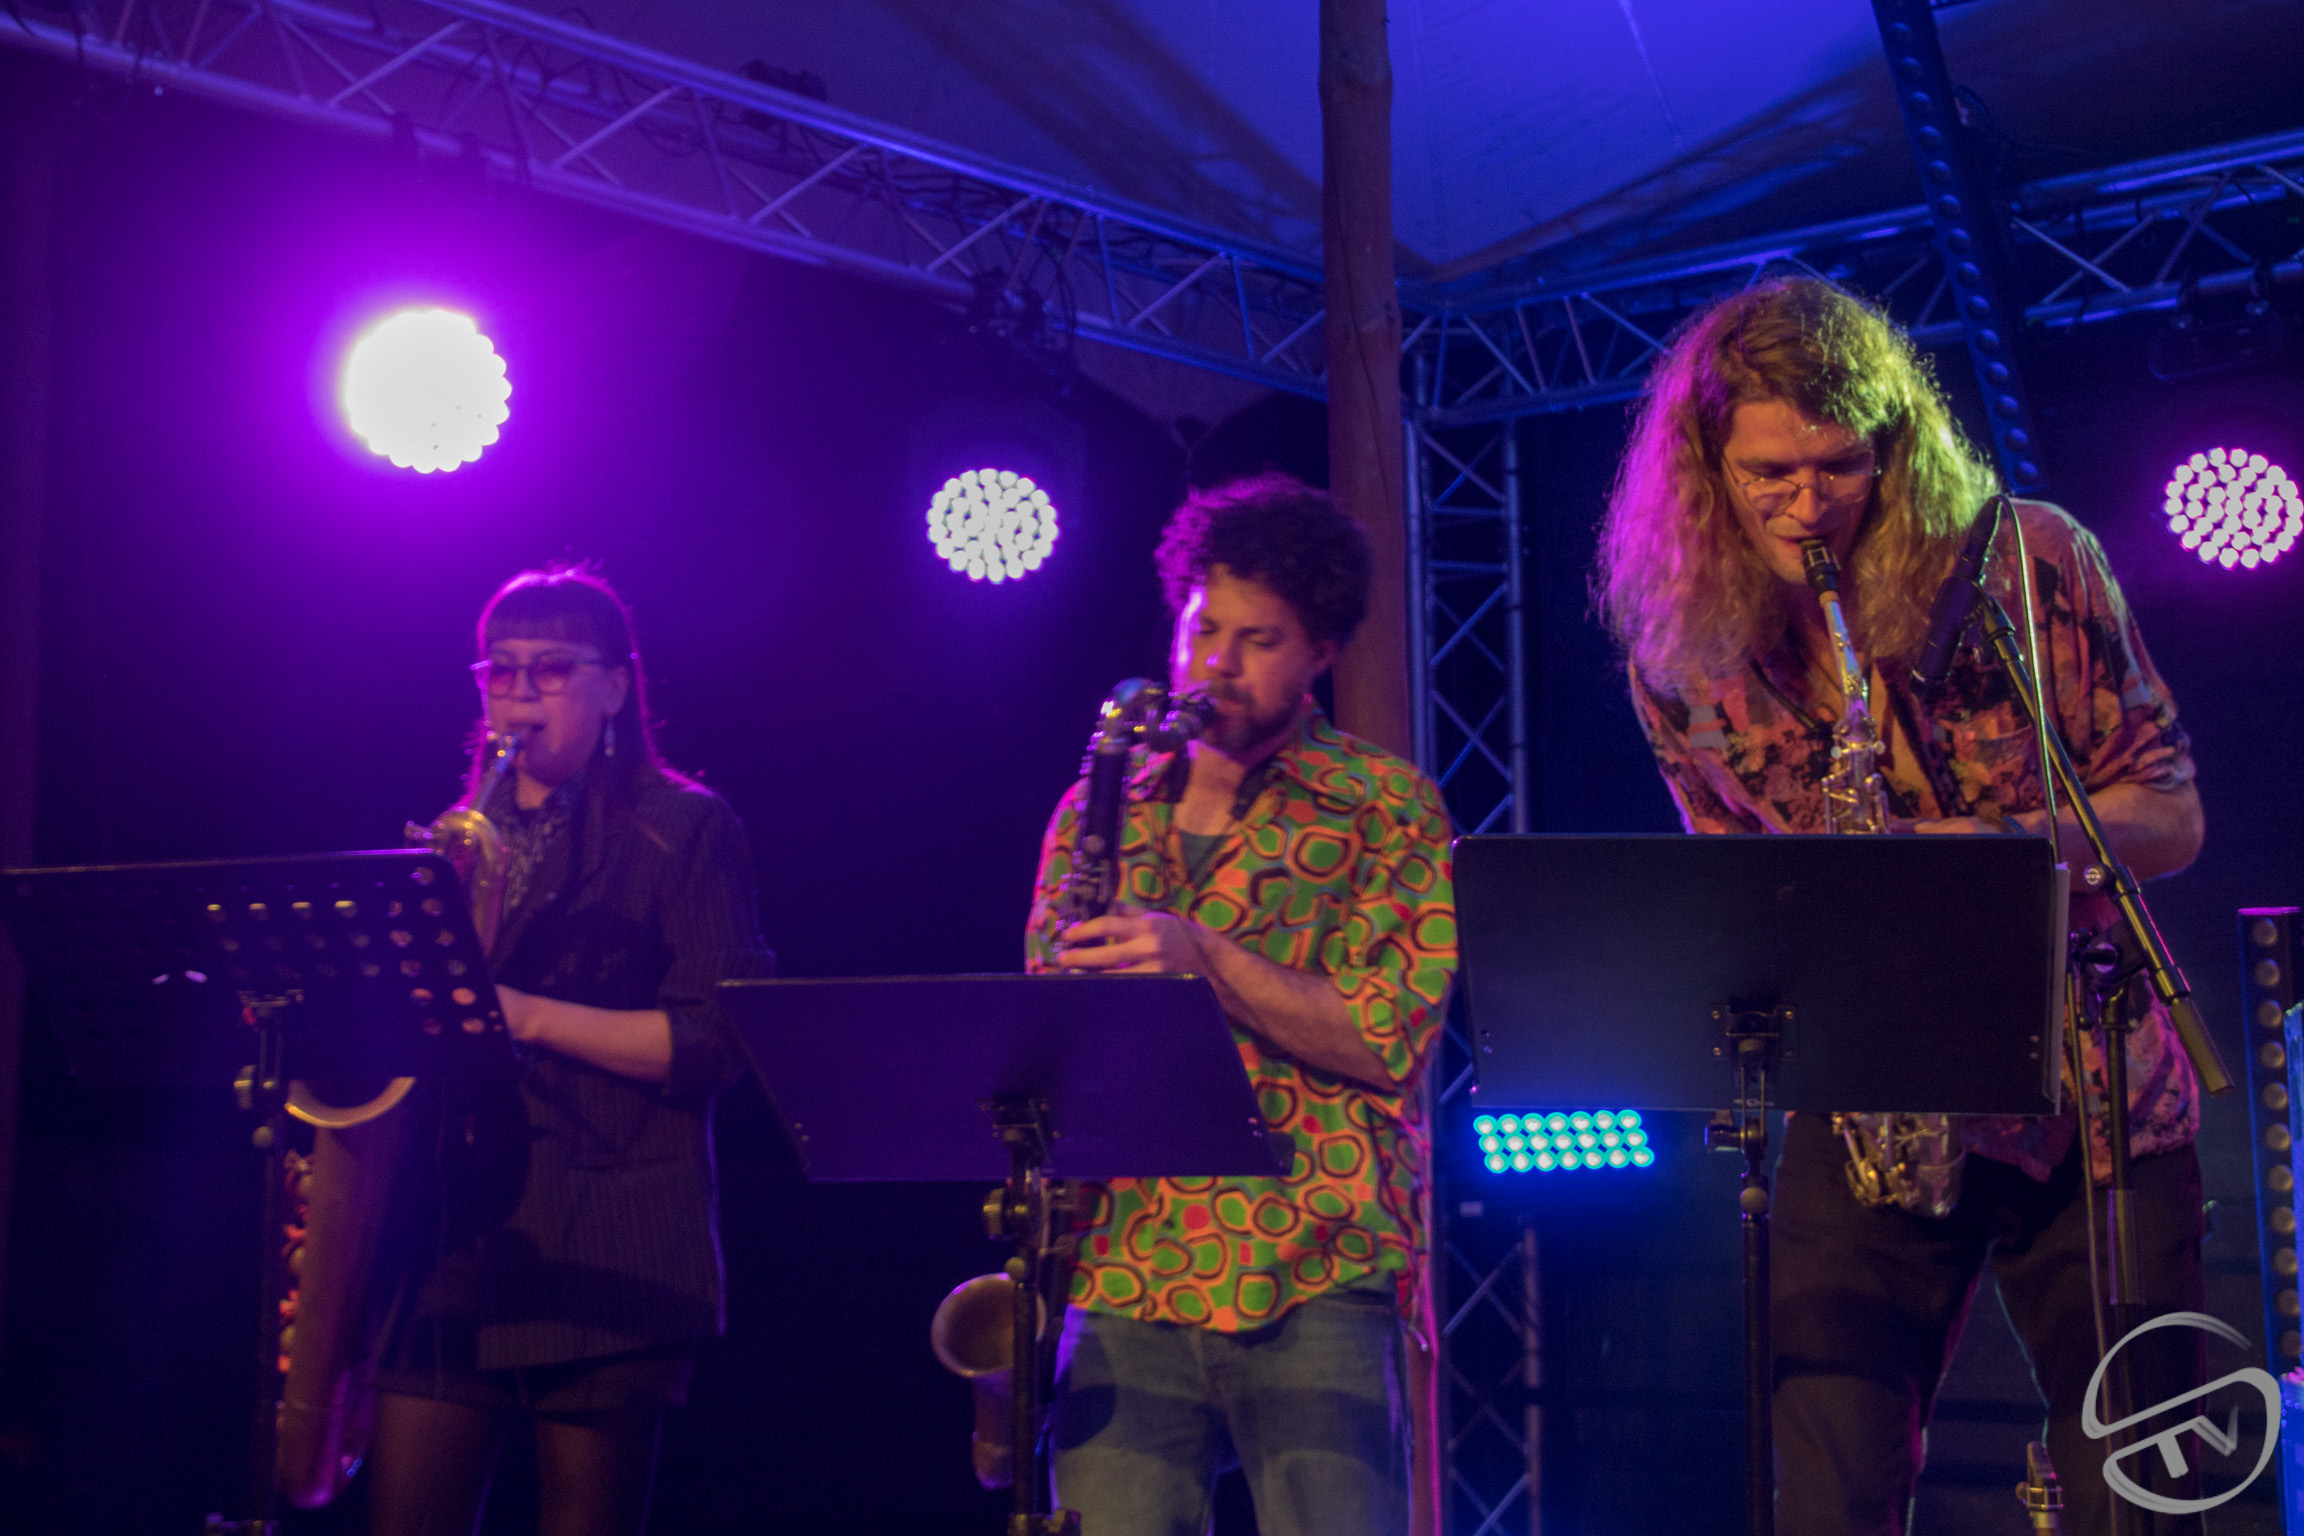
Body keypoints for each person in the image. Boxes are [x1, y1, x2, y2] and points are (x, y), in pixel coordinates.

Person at [1595, 277, 2207, 1534]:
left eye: (1839, 467)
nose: (1808, 505)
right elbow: (1731, 890)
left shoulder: (2031, 563)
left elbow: (2171, 815)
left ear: (1894, 445)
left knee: (2140, 1493)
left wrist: (1988, 850)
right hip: (1868, 1102)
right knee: (1828, 1499)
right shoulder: (1677, 649)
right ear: (1708, 469)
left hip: (2088, 1093)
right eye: (1768, 476)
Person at [1023, 473, 1458, 1536]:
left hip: (1316, 1257)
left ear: (1321, 652)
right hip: (1125, 1255)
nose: (1216, 663)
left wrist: (1203, 959)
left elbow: (1388, 1036)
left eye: (1257, 639)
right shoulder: (1098, 803)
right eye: (1202, 628)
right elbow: (1043, 1031)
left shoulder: (1386, 805)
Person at [365, 565, 775, 1536]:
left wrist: (523, 1014)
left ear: (617, 687)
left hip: (609, 1238)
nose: (519, 694)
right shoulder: (456, 844)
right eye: (501, 671)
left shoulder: (685, 828)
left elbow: (718, 1040)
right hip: (460, 1232)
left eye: (551, 669)